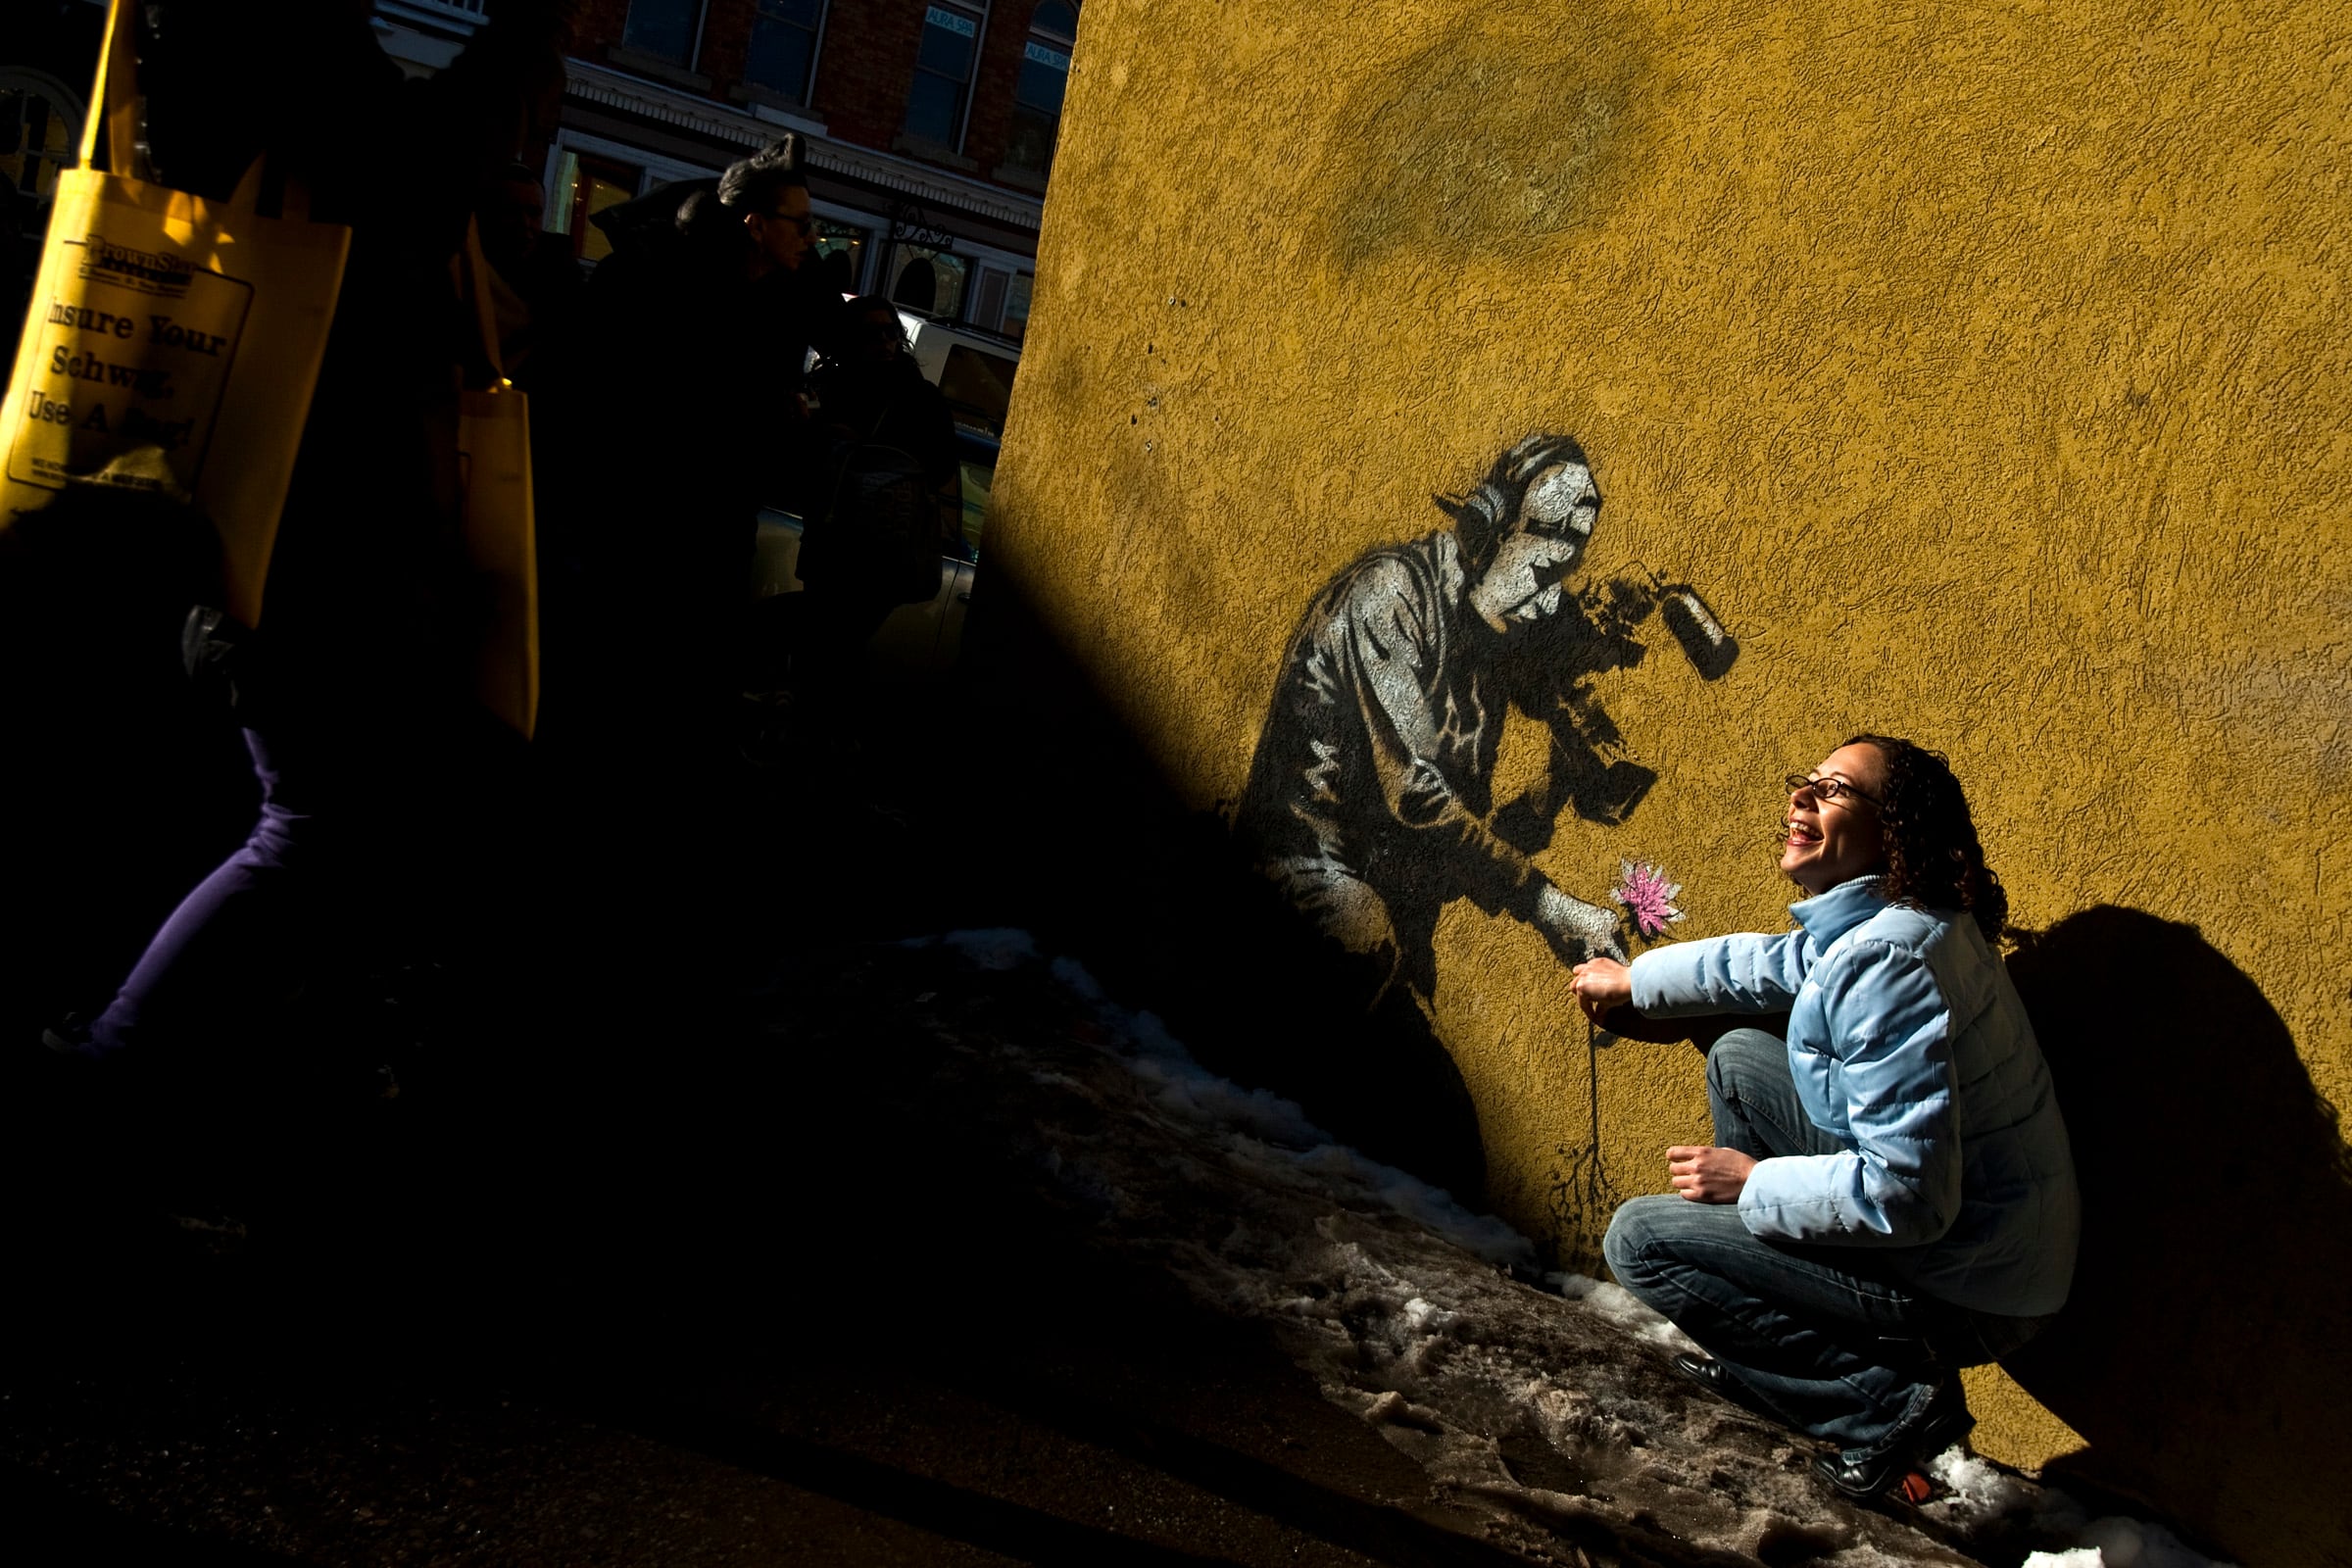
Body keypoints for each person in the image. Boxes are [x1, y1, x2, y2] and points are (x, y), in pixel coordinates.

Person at [1573, 737, 2080, 1499]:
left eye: (1834, 790)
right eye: (1804, 784)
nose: (1802, 800)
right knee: (1741, 1058)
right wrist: (1637, 979)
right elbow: (1768, 965)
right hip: (1982, 1244)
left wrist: (1755, 1184)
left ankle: (1884, 1406)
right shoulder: (1895, 923)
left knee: (1639, 1241)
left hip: (1973, 1289)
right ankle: (1778, 1367)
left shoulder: (1890, 963)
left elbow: (1907, 1196)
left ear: (1893, 832)